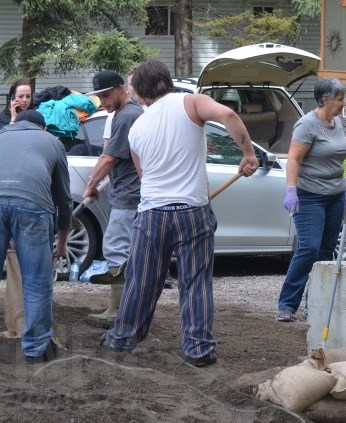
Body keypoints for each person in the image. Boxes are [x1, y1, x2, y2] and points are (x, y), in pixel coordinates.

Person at [100, 59, 259, 367]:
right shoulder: (190, 102)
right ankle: (198, 349)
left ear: (142, 90)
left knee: (141, 281)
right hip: (191, 212)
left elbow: (144, 176)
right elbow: (227, 114)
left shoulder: (137, 128)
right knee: (195, 282)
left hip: (151, 214)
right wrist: (248, 154)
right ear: (165, 80)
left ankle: (121, 339)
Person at [0, 110, 72, 363]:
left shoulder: (1, 134)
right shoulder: (52, 142)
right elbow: (63, 199)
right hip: (32, 206)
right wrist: (61, 243)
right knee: (36, 280)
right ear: (41, 128)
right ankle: (36, 349)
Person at [277, 78, 346, 323]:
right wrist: (291, 190)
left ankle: (315, 303)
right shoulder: (306, 125)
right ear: (326, 100)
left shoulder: (336, 122)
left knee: (326, 252)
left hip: (335, 195)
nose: (343, 104)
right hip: (310, 196)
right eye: (339, 99)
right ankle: (287, 305)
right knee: (309, 248)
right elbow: (294, 159)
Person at [82, 70, 144, 329]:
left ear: (122, 89)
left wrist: (91, 184)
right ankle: (124, 308)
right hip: (129, 193)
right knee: (126, 252)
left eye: (106, 95)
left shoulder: (127, 115)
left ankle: (118, 311)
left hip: (130, 197)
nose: (103, 101)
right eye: (99, 97)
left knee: (117, 249)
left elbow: (109, 157)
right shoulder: (128, 114)